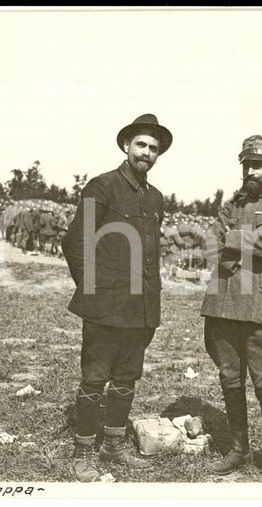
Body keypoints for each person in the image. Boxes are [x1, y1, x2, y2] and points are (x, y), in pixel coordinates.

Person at [61, 113, 171, 482]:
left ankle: (113, 446)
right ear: (126, 146)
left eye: (154, 148)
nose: (147, 152)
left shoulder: (155, 198)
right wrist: (95, 287)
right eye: (141, 144)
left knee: (127, 377)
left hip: (141, 305)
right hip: (105, 305)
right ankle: (83, 453)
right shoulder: (102, 187)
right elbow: (75, 242)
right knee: (94, 379)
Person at [200, 135, 262, 482]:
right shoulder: (231, 203)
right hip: (224, 304)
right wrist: (240, 236)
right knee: (229, 379)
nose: (251, 171)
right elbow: (209, 238)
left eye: (258, 165)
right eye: (246, 165)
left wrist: (232, 236)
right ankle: (239, 449)